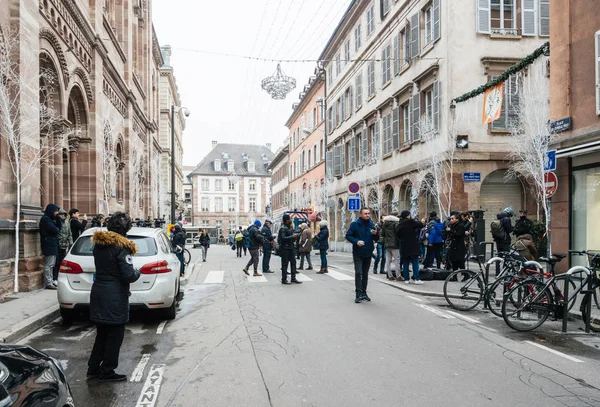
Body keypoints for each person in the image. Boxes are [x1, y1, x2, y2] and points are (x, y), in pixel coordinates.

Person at [87, 212, 140, 382]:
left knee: (102, 334)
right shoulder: (122, 248)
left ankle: (93, 368)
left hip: (99, 292)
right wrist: (138, 272)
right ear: (125, 229)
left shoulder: (99, 245)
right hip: (115, 296)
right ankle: (108, 370)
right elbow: (128, 275)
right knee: (115, 336)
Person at [346, 207, 379, 303]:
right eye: (365, 213)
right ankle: (358, 294)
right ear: (361, 214)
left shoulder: (371, 224)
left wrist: (375, 234)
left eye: (368, 213)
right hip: (358, 252)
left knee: (365, 274)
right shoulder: (355, 224)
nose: (367, 215)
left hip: (368, 252)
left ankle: (364, 293)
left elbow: (376, 238)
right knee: (358, 273)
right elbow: (348, 235)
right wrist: (356, 241)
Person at [397, 210, 424, 284]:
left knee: (405, 262)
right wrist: (422, 221)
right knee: (415, 262)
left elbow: (398, 234)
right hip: (412, 245)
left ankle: (406, 279)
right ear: (408, 215)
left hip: (404, 246)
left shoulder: (400, 223)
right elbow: (420, 225)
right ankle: (416, 278)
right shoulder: (410, 221)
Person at [39, 204, 61, 289]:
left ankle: (50, 281)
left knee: (52, 264)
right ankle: (48, 282)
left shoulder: (50, 219)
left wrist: (58, 221)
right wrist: (57, 224)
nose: (57, 213)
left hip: (52, 244)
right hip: (48, 245)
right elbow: (55, 230)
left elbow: (58, 229)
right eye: (55, 211)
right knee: (49, 264)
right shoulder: (46, 219)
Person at [278, 214, 302, 284]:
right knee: (285, 264)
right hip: (285, 248)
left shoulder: (289, 228)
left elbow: (290, 237)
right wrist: (292, 236)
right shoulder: (283, 228)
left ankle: (293, 278)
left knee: (293, 263)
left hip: (291, 248)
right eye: (290, 218)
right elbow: (282, 238)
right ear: (287, 220)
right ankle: (284, 279)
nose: (291, 220)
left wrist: (295, 237)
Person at [55, 209, 73, 285]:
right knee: (56, 262)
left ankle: (59, 277)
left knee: (62, 262)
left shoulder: (67, 222)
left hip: (65, 245)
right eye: (60, 214)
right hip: (58, 244)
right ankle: (55, 277)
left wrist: (70, 242)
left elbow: (69, 233)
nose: (62, 216)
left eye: (63, 214)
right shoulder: (56, 222)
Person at [381, 211, 401, 281]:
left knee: (388, 260)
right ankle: (398, 275)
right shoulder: (396, 223)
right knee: (397, 260)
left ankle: (390, 275)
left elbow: (382, 234)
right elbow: (398, 234)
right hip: (395, 244)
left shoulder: (385, 223)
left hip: (387, 244)